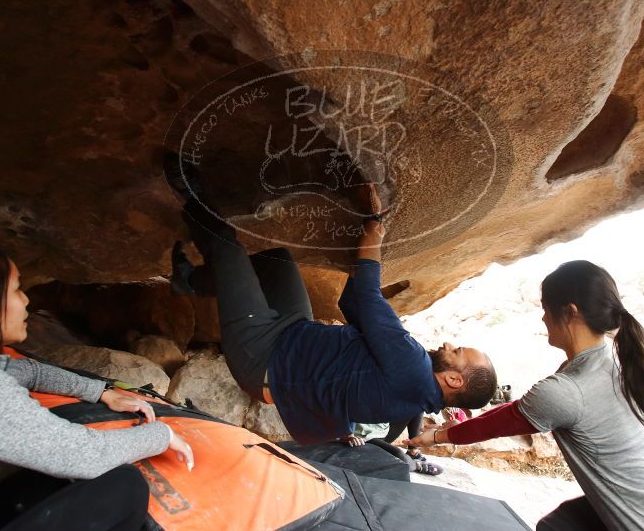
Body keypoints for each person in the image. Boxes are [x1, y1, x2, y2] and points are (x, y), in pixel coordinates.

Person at [406, 260, 644, 530]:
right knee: (557, 524)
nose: (543, 318)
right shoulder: (620, 358)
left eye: (546, 309)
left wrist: (434, 437)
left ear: (570, 312)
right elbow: (516, 411)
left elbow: (497, 424)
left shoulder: (566, 390)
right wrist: (441, 433)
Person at [173, 184, 498, 445]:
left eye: (456, 352)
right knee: (278, 261)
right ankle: (190, 281)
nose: (447, 344)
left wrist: (374, 233)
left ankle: (188, 191)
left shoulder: (413, 368)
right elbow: (356, 304)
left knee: (227, 248)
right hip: (294, 335)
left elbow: (369, 295)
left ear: (454, 379)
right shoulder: (417, 397)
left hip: (263, 359)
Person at [0, 237, 194, 531]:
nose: (26, 300)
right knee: (124, 488)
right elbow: (82, 456)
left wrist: (100, 391)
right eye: (16, 290)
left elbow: (27, 372)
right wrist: (161, 435)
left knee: (41, 480)